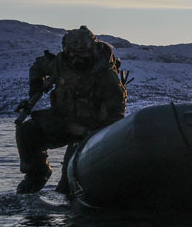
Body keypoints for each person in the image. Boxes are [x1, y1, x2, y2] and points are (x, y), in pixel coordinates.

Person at [15, 26, 127, 194]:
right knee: (27, 131)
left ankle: (70, 193)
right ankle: (37, 174)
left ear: (92, 50)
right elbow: (38, 67)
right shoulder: (61, 63)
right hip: (63, 120)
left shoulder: (107, 77)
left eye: (81, 52)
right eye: (71, 52)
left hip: (91, 131)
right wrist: (35, 89)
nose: (75, 58)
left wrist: (87, 132)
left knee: (69, 179)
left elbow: (116, 117)